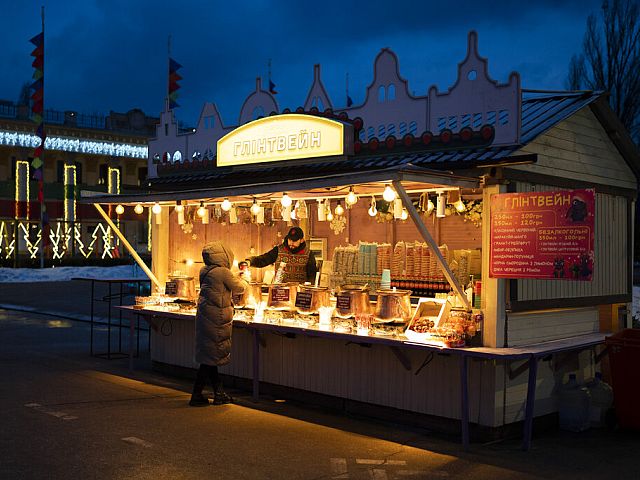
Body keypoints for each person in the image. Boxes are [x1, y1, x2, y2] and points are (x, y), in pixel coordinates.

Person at [190, 241, 247, 407]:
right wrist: (245, 279)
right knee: (210, 359)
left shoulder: (205, 270)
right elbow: (240, 288)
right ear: (224, 255)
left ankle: (218, 393)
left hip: (206, 316)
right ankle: (197, 394)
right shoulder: (223, 272)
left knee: (209, 357)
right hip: (217, 318)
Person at [247, 226, 318, 283]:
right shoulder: (278, 250)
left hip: (299, 295)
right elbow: (263, 259)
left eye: (294, 241)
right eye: (290, 240)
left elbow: (312, 277)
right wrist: (249, 261)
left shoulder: (308, 254)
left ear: (301, 240)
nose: (291, 243)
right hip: (280, 293)